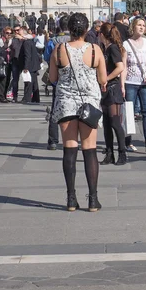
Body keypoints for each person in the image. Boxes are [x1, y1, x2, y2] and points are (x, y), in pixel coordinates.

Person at [49, 13, 107, 212]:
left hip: (66, 103)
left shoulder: (59, 49)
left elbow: (53, 77)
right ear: (86, 29)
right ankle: (93, 199)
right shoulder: (94, 49)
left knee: (69, 150)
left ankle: (71, 198)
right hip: (89, 104)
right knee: (90, 151)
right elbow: (103, 78)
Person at [122, 18, 146, 152]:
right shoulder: (126, 44)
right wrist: (122, 85)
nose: (142, 27)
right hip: (130, 82)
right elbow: (124, 66)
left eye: (143, 25)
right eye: (139, 25)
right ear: (133, 26)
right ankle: (127, 142)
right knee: (129, 113)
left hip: (145, 82)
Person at [99, 23, 128, 165]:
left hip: (113, 88)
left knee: (115, 122)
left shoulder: (113, 49)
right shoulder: (105, 49)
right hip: (105, 89)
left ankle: (122, 153)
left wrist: (107, 78)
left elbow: (120, 67)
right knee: (106, 123)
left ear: (103, 35)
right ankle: (109, 153)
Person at [43, 15, 71, 151]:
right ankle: (74, 140)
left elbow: (47, 57)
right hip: (73, 80)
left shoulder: (53, 41)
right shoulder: (75, 41)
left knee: (55, 109)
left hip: (57, 80)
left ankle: (53, 141)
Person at [20, 28, 41, 104]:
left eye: (20, 34)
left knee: (28, 82)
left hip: (31, 65)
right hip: (34, 64)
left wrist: (26, 67)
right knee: (34, 82)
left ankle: (27, 98)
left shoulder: (26, 43)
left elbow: (27, 55)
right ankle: (35, 98)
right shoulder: (30, 41)